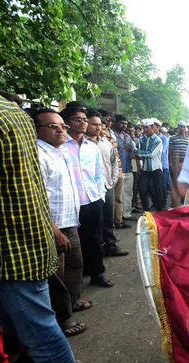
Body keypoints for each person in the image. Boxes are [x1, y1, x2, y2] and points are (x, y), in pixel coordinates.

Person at [0, 24, 86, 363]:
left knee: (40, 333)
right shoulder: (10, 112)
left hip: (8, 248)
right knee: (32, 327)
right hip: (25, 241)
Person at [35, 108, 91, 338]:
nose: (61, 130)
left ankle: (72, 303)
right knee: (56, 276)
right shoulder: (38, 154)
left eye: (62, 126)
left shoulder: (60, 151)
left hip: (70, 221)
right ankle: (61, 320)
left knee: (75, 265)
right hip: (53, 226)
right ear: (38, 129)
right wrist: (55, 231)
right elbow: (38, 197)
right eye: (53, 126)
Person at [62, 106, 116, 288]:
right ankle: (78, 277)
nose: (83, 123)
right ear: (67, 122)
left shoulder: (91, 147)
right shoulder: (60, 147)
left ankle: (97, 273)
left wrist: (99, 195)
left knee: (95, 238)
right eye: (78, 119)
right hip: (71, 203)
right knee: (73, 244)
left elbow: (98, 173)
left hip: (92, 200)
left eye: (85, 120)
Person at [85, 110, 129, 257]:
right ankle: (95, 252)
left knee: (107, 218)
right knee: (93, 223)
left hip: (107, 185)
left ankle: (110, 245)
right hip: (89, 189)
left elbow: (114, 162)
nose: (98, 128)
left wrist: (112, 179)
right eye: (94, 124)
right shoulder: (82, 144)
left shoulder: (106, 143)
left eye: (100, 125)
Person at [134, 118, 163, 212]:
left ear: (152, 127)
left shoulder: (158, 140)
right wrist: (138, 153)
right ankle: (146, 211)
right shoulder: (141, 139)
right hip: (145, 168)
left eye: (147, 127)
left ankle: (159, 210)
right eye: (144, 127)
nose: (145, 129)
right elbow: (142, 154)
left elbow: (150, 153)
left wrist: (137, 152)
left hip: (156, 168)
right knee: (142, 189)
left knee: (158, 190)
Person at [113, 114, 137, 224]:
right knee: (118, 195)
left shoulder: (127, 136)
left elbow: (134, 150)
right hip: (117, 169)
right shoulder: (111, 135)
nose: (124, 125)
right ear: (116, 122)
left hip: (128, 167)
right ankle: (118, 217)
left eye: (126, 123)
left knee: (128, 192)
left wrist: (132, 150)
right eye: (122, 123)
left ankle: (126, 214)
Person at [169, 121, 189, 207]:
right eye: (180, 127)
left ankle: (184, 199)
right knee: (175, 181)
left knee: (184, 181)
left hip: (184, 163)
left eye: (184, 127)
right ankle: (175, 200)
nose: (182, 128)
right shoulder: (173, 138)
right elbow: (170, 151)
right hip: (175, 163)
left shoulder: (188, 139)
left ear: (186, 128)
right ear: (178, 127)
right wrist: (170, 163)